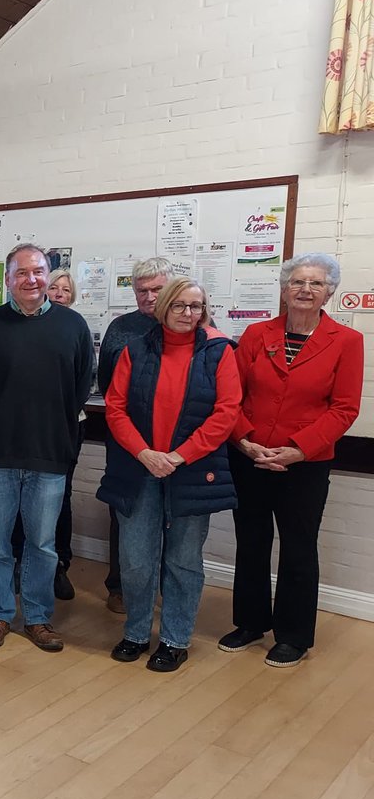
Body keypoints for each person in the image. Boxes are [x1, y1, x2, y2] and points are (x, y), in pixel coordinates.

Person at [219, 253, 363, 668]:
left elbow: (345, 408)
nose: (305, 289)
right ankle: (249, 622)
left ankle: (294, 635)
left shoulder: (347, 341)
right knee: (251, 541)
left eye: (315, 283)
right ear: (284, 290)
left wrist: (300, 449)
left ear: (329, 292)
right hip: (250, 457)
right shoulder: (255, 333)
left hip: (306, 464)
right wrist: (245, 442)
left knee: (299, 548)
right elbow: (233, 397)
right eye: (297, 282)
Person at [99, 277, 241, 672]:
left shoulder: (220, 352)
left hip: (191, 471)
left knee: (183, 561)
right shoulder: (135, 349)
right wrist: (145, 454)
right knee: (136, 560)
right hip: (139, 468)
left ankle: (176, 640)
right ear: (163, 308)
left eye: (196, 306)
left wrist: (177, 457)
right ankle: (136, 633)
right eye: (179, 305)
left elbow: (226, 413)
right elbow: (115, 408)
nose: (188, 313)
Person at [0, 244, 93, 653]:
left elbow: (79, 387)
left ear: (48, 275)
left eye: (38, 271)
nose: (31, 279)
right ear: (8, 279)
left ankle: (37, 618)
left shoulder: (73, 326)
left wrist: (52, 426)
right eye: (22, 273)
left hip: (49, 453)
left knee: (42, 544)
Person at [97, 257, 173, 614]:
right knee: (124, 510)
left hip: (175, 442)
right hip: (125, 439)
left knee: (172, 515)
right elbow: (107, 381)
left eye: (157, 289)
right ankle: (120, 586)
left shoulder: (191, 324)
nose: (149, 296)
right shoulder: (120, 328)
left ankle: (163, 586)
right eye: (142, 290)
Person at [9, 268, 85, 601]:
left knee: (58, 499)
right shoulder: (6, 325)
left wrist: (60, 417)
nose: (56, 293)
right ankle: (19, 564)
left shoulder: (75, 328)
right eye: (52, 287)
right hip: (17, 429)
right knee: (18, 502)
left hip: (63, 428)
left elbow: (84, 381)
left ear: (71, 296)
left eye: (63, 290)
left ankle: (58, 567)